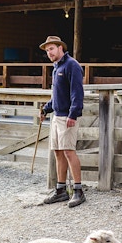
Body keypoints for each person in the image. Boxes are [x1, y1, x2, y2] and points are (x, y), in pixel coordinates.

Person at [39, 35, 86, 208]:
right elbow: (57, 95)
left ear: (60, 48)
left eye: (51, 49)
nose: (49, 53)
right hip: (56, 115)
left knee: (69, 151)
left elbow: (77, 93)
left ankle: (78, 191)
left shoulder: (71, 65)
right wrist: (46, 108)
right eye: (47, 50)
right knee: (58, 152)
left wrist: (73, 114)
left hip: (67, 116)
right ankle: (60, 190)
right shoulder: (56, 67)